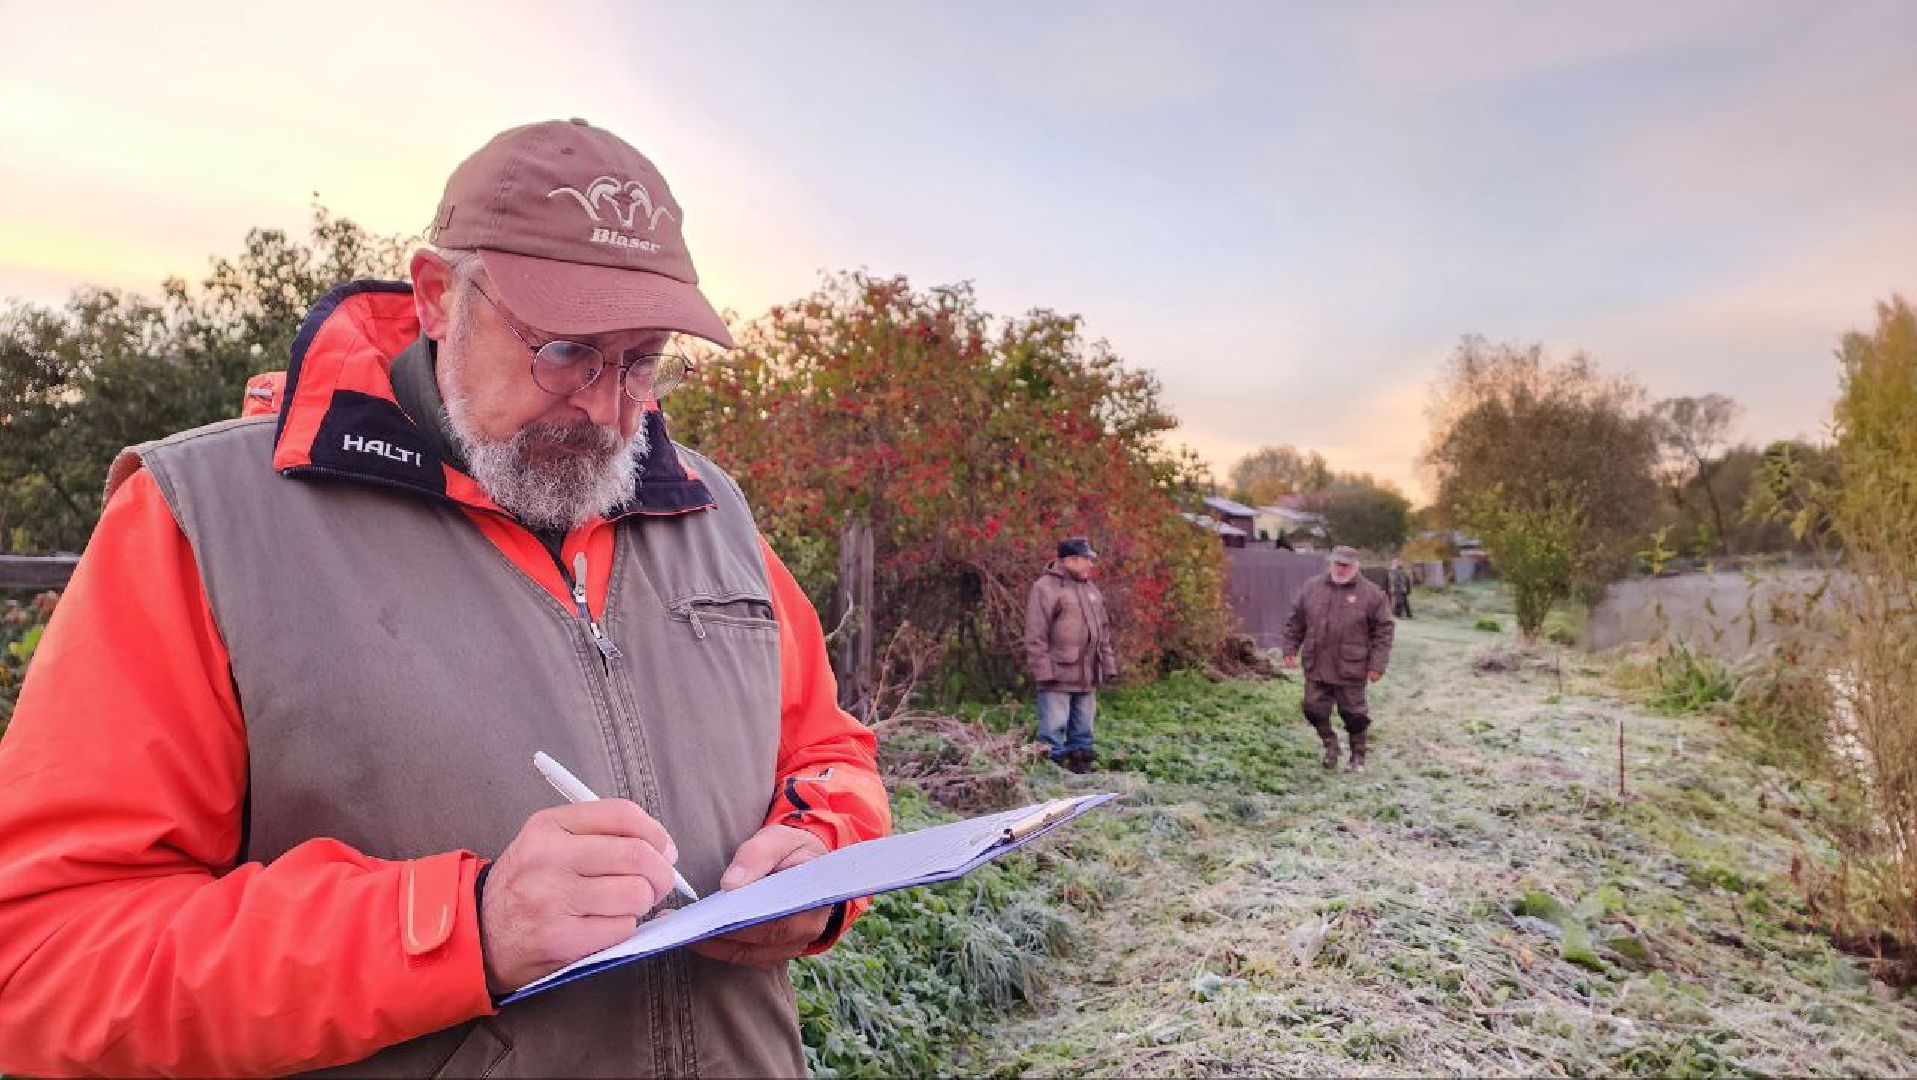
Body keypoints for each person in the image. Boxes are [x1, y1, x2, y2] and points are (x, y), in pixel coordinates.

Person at [0, 119, 891, 1078]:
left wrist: (820, 852)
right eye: (566, 350)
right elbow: (46, 963)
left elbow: (828, 753)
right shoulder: (206, 520)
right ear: (436, 297)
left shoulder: (710, 509)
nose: (607, 408)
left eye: (642, 359)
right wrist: (460, 929)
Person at [1281, 546, 1395, 773]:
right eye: (1337, 564)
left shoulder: (1372, 594)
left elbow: (1383, 632)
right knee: (1312, 708)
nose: (1341, 569)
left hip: (1351, 667)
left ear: (1356, 566)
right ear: (1330, 563)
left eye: (1346, 566)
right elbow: (1295, 622)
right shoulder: (1311, 588)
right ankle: (1331, 746)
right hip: (1317, 663)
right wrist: (1290, 649)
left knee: (1354, 715)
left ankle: (1357, 756)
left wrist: (1377, 665)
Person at [1023, 537, 1118, 773]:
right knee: (1053, 728)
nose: (1091, 564)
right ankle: (1050, 770)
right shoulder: (1044, 588)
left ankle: (1081, 767)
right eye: (1086, 559)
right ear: (1070, 560)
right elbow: (1035, 633)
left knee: (1084, 727)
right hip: (1057, 672)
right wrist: (1043, 671)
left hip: (1087, 673)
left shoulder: (1091, 589)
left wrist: (1108, 665)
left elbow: (1103, 631)